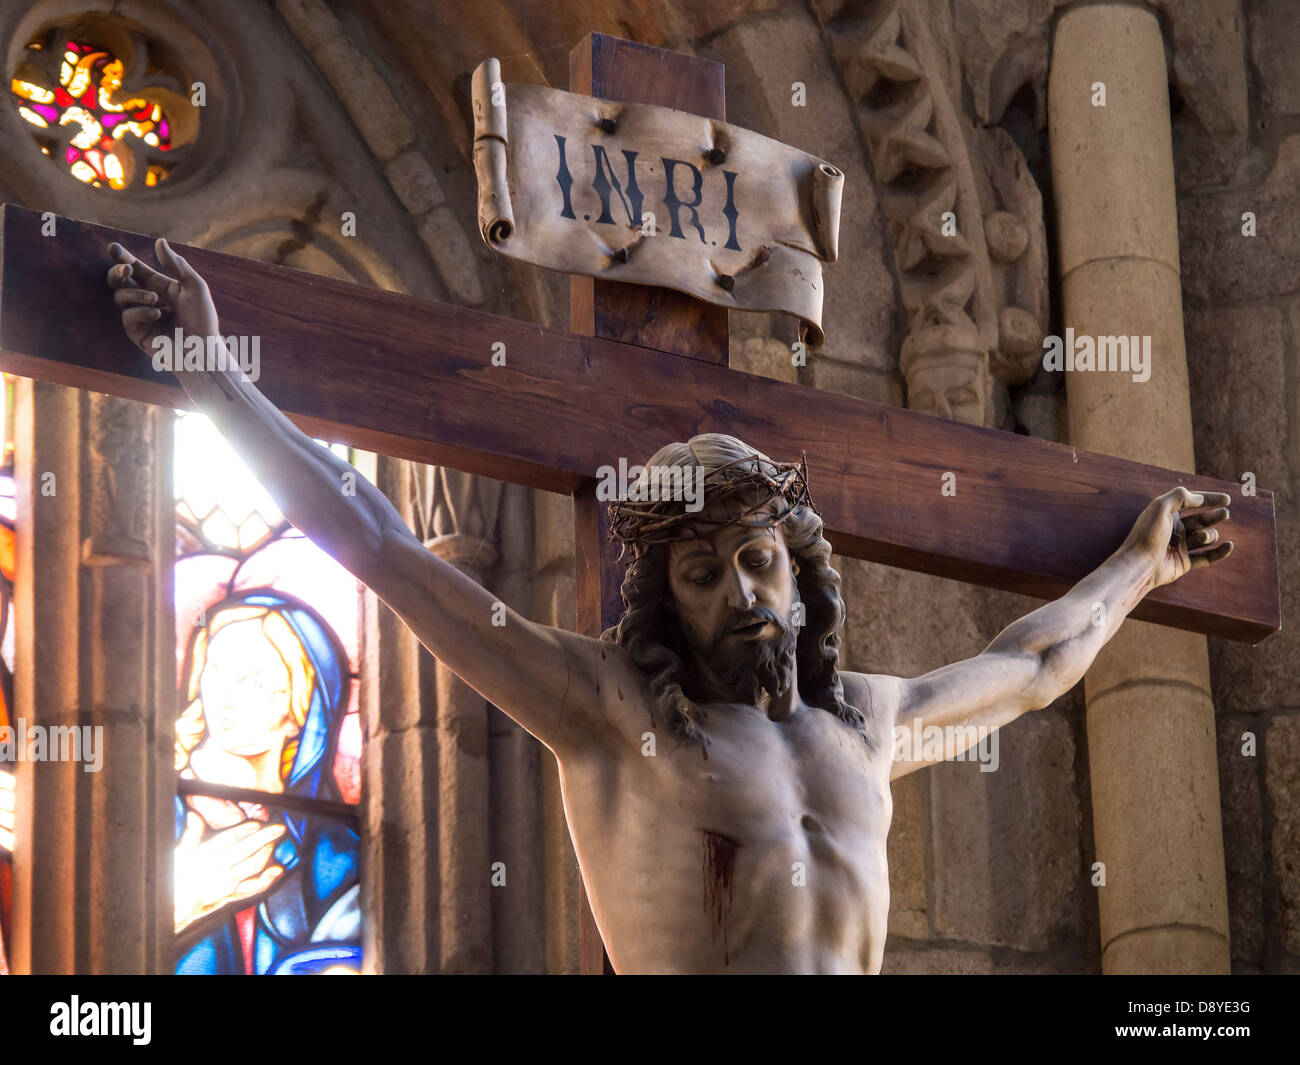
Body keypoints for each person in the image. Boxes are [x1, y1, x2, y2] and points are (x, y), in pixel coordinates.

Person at [107, 238, 1233, 974]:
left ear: (797, 569)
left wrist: (1142, 565)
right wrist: (218, 377)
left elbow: (1033, 664)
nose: (741, 591)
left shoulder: (867, 721)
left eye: (758, 560)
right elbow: (380, 543)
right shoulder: (603, 706)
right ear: (664, 598)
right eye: (702, 573)